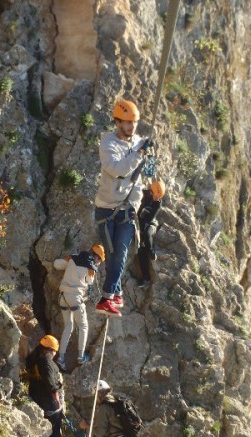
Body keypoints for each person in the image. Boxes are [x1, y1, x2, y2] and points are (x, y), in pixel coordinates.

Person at [94, 99, 153, 317]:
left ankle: (108, 296)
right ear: (117, 122)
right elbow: (117, 170)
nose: (131, 127)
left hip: (128, 209)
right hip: (107, 210)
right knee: (112, 254)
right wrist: (138, 154)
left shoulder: (138, 142)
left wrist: (146, 152)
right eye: (127, 123)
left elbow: (139, 175)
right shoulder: (108, 144)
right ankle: (111, 294)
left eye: (134, 123)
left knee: (122, 252)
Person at [53, 244, 106, 370]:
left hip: (63, 297)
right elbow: (90, 282)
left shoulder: (73, 258)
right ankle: (81, 356)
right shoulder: (90, 268)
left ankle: (60, 358)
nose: (99, 263)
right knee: (83, 326)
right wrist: (93, 268)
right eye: (100, 261)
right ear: (97, 258)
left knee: (68, 326)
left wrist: (68, 259)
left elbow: (56, 264)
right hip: (75, 298)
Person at [26, 334, 66, 437]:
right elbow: (50, 384)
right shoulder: (47, 362)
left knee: (46, 427)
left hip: (36, 397)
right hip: (48, 400)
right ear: (50, 350)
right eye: (54, 351)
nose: (54, 354)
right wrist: (57, 393)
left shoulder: (33, 358)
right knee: (55, 429)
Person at [137, 179, 165, 288]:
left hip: (151, 224)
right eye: (154, 195)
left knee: (148, 234)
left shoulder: (157, 204)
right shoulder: (145, 194)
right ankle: (146, 277)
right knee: (140, 251)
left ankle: (151, 250)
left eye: (158, 197)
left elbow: (149, 219)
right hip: (139, 223)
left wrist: (141, 231)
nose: (156, 198)